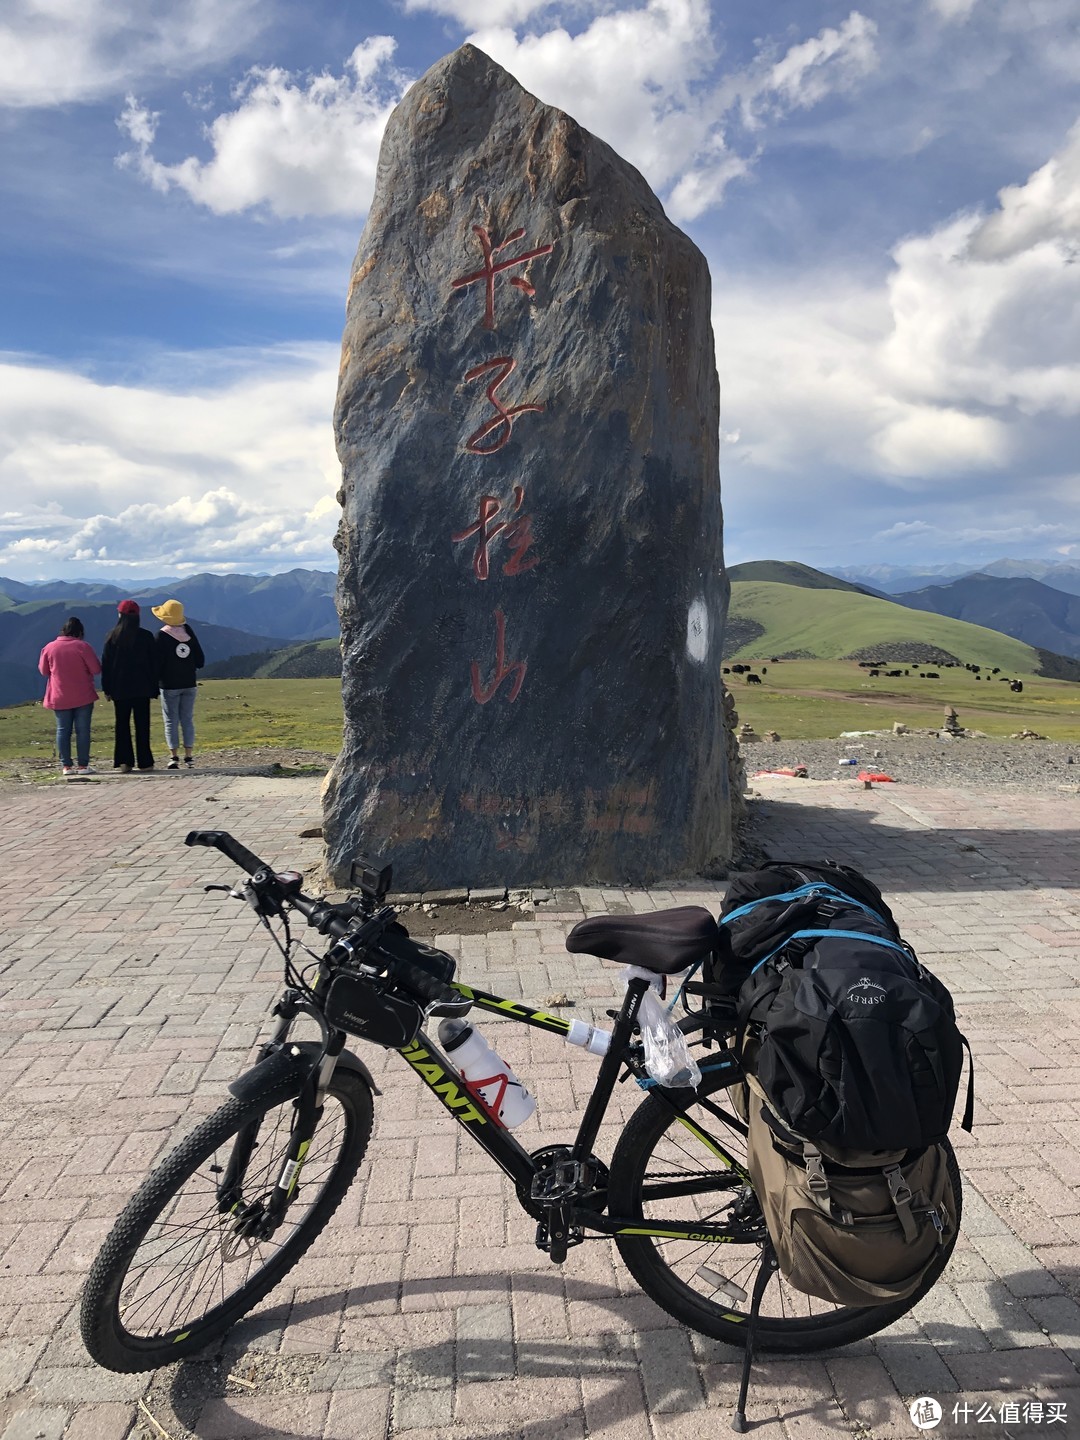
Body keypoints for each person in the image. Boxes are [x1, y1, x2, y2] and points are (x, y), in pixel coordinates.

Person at [38, 616, 101, 777]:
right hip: (83, 695)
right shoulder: (83, 647)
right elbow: (96, 669)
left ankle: (66, 766)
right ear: (80, 633)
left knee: (63, 730)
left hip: (59, 695)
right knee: (83, 731)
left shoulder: (49, 647)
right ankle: (83, 765)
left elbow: (44, 671)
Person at [101, 599, 159, 773]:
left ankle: (124, 762)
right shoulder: (146, 636)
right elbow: (154, 664)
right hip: (142, 688)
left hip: (120, 688)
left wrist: (107, 689)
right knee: (142, 725)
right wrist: (154, 687)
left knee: (122, 725)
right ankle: (145, 762)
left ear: (120, 615)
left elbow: (107, 666)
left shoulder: (112, 637)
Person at [151, 598, 205, 768]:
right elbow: (200, 661)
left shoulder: (161, 636)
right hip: (189, 683)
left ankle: (173, 757)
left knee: (170, 720)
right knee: (187, 719)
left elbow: (156, 663)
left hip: (169, 685)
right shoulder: (188, 633)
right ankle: (189, 756)